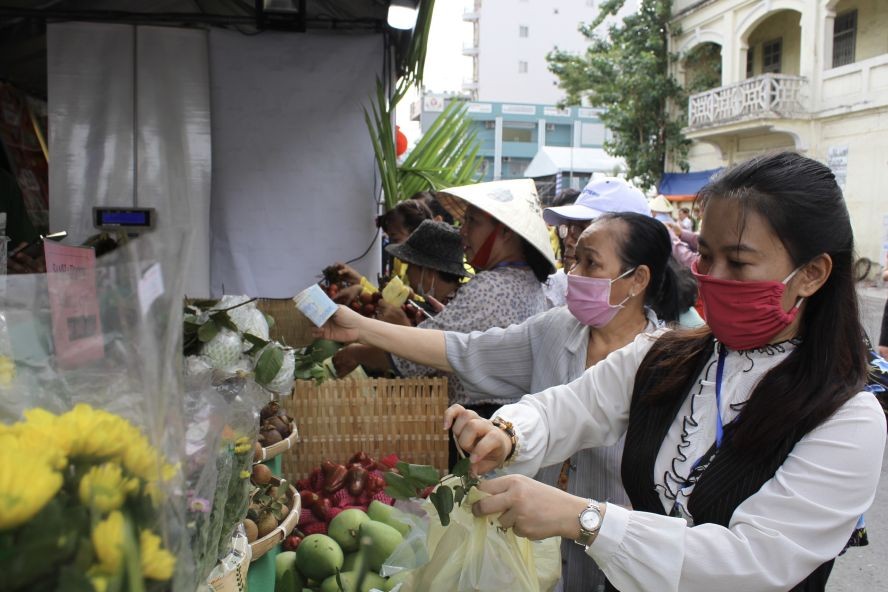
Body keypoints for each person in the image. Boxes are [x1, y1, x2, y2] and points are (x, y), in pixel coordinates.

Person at [444, 152, 886, 592]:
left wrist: (585, 519)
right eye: (706, 257)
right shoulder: (667, 356)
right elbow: (572, 406)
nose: (712, 277)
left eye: (738, 263)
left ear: (810, 274)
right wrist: (508, 433)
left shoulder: (848, 419)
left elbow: (754, 562)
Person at [318, 211, 683, 590]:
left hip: (614, 566)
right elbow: (463, 350)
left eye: (590, 263)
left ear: (637, 279)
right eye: (574, 259)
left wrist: (606, 524)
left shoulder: (668, 365)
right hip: (533, 557)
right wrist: (362, 327)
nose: (573, 273)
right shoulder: (556, 330)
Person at [332, 179, 555, 447]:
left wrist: (357, 350)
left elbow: (413, 360)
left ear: (505, 232)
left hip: (482, 425)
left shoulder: (492, 287)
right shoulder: (528, 282)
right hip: (505, 427)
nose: (462, 231)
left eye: (472, 222)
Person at [543, 178, 650, 308]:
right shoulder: (553, 288)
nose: (568, 240)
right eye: (568, 227)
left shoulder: (659, 322)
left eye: (583, 230)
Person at [375, 219, 470, 325]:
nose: (406, 273)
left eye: (410, 267)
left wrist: (405, 326)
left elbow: (441, 340)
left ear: (429, 272)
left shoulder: (462, 310)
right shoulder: (449, 301)